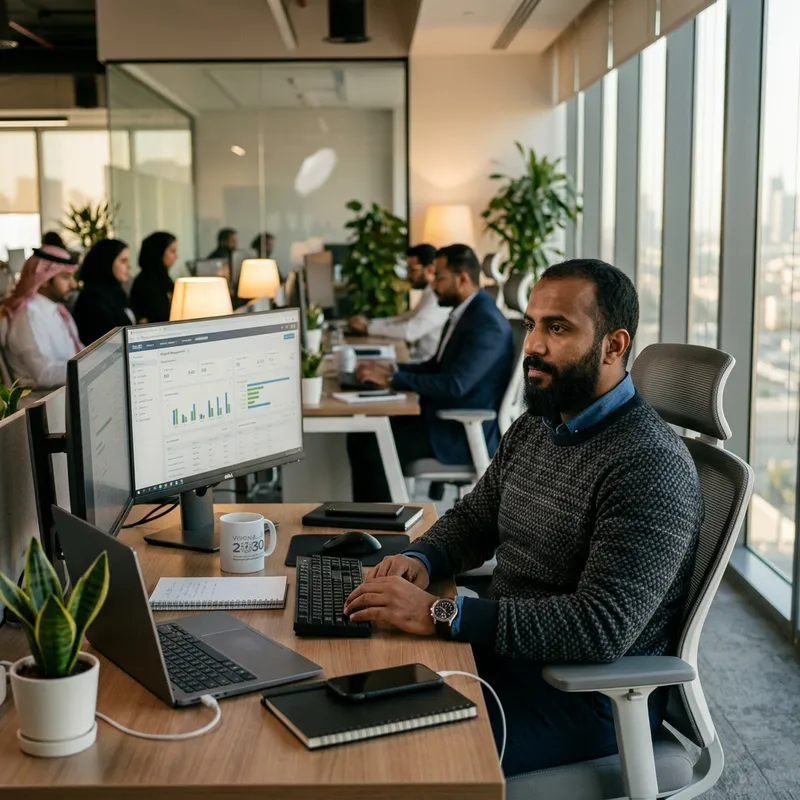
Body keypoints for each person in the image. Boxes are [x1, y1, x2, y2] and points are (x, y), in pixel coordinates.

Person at [342, 259, 703, 777]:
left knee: (385, 760)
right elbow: (476, 517)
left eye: (558, 328)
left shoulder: (648, 463)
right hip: (504, 659)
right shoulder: (540, 423)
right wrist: (421, 558)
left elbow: (599, 628)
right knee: (347, 691)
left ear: (614, 345)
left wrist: (442, 615)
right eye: (532, 323)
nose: (532, 344)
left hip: (581, 699)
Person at [346, 244, 513, 501]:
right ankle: (365, 521)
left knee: (372, 447)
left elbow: (455, 384)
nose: (432, 284)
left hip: (457, 429)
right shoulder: (466, 313)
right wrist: (393, 369)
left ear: (462, 278)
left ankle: (380, 532)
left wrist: (392, 380)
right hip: (439, 415)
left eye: (439, 276)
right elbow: (436, 365)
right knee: (362, 433)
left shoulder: (486, 323)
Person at [347, 244, 449, 361]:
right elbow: (406, 318)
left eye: (412, 270)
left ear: (430, 269)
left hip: (424, 363)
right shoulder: (428, 293)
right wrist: (370, 324)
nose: (408, 275)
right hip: (417, 358)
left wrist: (368, 328)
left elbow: (410, 331)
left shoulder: (438, 297)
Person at [0, 245, 82, 387]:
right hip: (41, 401)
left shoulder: (58, 310)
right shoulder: (26, 316)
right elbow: (44, 375)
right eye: (65, 277)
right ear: (44, 278)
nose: (73, 284)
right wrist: (88, 367)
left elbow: (79, 351)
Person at [72, 239, 135, 345]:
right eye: (123, 261)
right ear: (107, 262)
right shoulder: (93, 299)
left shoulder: (117, 293)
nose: (129, 266)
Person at [130, 232, 178, 324]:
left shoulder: (164, 278)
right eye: (172, 251)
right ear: (159, 252)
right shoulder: (146, 283)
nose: (176, 256)